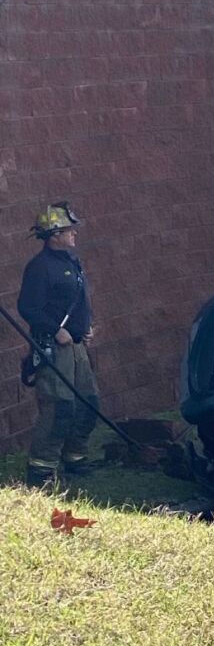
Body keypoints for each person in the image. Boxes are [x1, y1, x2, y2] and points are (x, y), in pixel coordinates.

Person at [18, 203, 98, 487]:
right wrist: (56, 330)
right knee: (58, 407)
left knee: (88, 402)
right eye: (68, 230)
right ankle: (41, 470)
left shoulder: (70, 261)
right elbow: (28, 308)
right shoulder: (40, 268)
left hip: (77, 346)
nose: (74, 233)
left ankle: (75, 457)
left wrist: (86, 327)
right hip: (55, 348)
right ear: (54, 235)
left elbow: (79, 301)